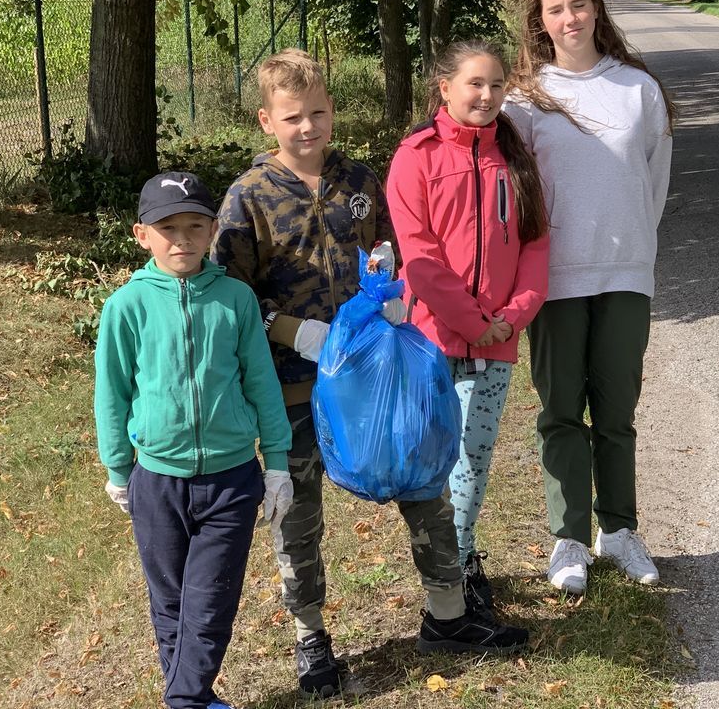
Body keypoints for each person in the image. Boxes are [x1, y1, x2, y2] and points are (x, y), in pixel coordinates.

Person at [212, 49, 528, 697]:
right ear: (267, 120)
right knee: (298, 514)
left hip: (373, 383)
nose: (308, 127)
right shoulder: (248, 198)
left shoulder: (358, 180)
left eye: (318, 113)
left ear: (331, 111)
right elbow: (229, 294)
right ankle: (310, 636)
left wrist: (394, 295)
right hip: (293, 386)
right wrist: (290, 330)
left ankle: (448, 616)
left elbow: (390, 252)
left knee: (423, 482)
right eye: (292, 117)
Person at [505, 0, 675, 595]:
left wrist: (634, 243)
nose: (569, 17)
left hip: (626, 270)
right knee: (559, 409)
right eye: (555, 9)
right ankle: (569, 537)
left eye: (578, 4)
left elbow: (654, 179)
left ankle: (620, 530)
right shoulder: (524, 100)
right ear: (540, 21)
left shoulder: (638, 89)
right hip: (554, 277)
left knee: (616, 408)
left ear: (596, 9)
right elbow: (516, 193)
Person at [94, 170, 294, 709]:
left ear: (212, 231)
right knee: (171, 602)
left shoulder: (236, 300)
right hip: (157, 481)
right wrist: (118, 470)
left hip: (231, 480)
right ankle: (194, 697)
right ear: (143, 235)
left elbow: (261, 382)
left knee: (209, 602)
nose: (181, 239)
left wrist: (276, 463)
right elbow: (112, 394)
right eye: (168, 228)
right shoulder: (126, 307)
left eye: (194, 226)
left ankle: (183, 701)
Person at [386, 40, 551, 612]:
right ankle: (447, 571)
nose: (487, 95)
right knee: (435, 459)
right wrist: (468, 320)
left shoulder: (516, 155)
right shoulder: (417, 156)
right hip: (431, 337)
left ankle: (459, 561)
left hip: (497, 340)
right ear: (445, 88)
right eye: (475, 83)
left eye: (497, 84)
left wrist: (512, 315)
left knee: (473, 456)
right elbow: (419, 254)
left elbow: (535, 244)